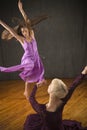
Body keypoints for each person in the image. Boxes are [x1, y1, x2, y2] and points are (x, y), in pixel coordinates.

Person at [0, 0, 47, 99]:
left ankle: (27, 92)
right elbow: (10, 30)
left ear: (28, 30)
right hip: (28, 59)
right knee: (30, 67)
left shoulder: (32, 36)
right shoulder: (22, 39)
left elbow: (27, 21)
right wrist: (1, 22)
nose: (24, 32)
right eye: (22, 31)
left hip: (36, 58)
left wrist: (21, 9)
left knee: (34, 73)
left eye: (25, 30)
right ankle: (29, 90)